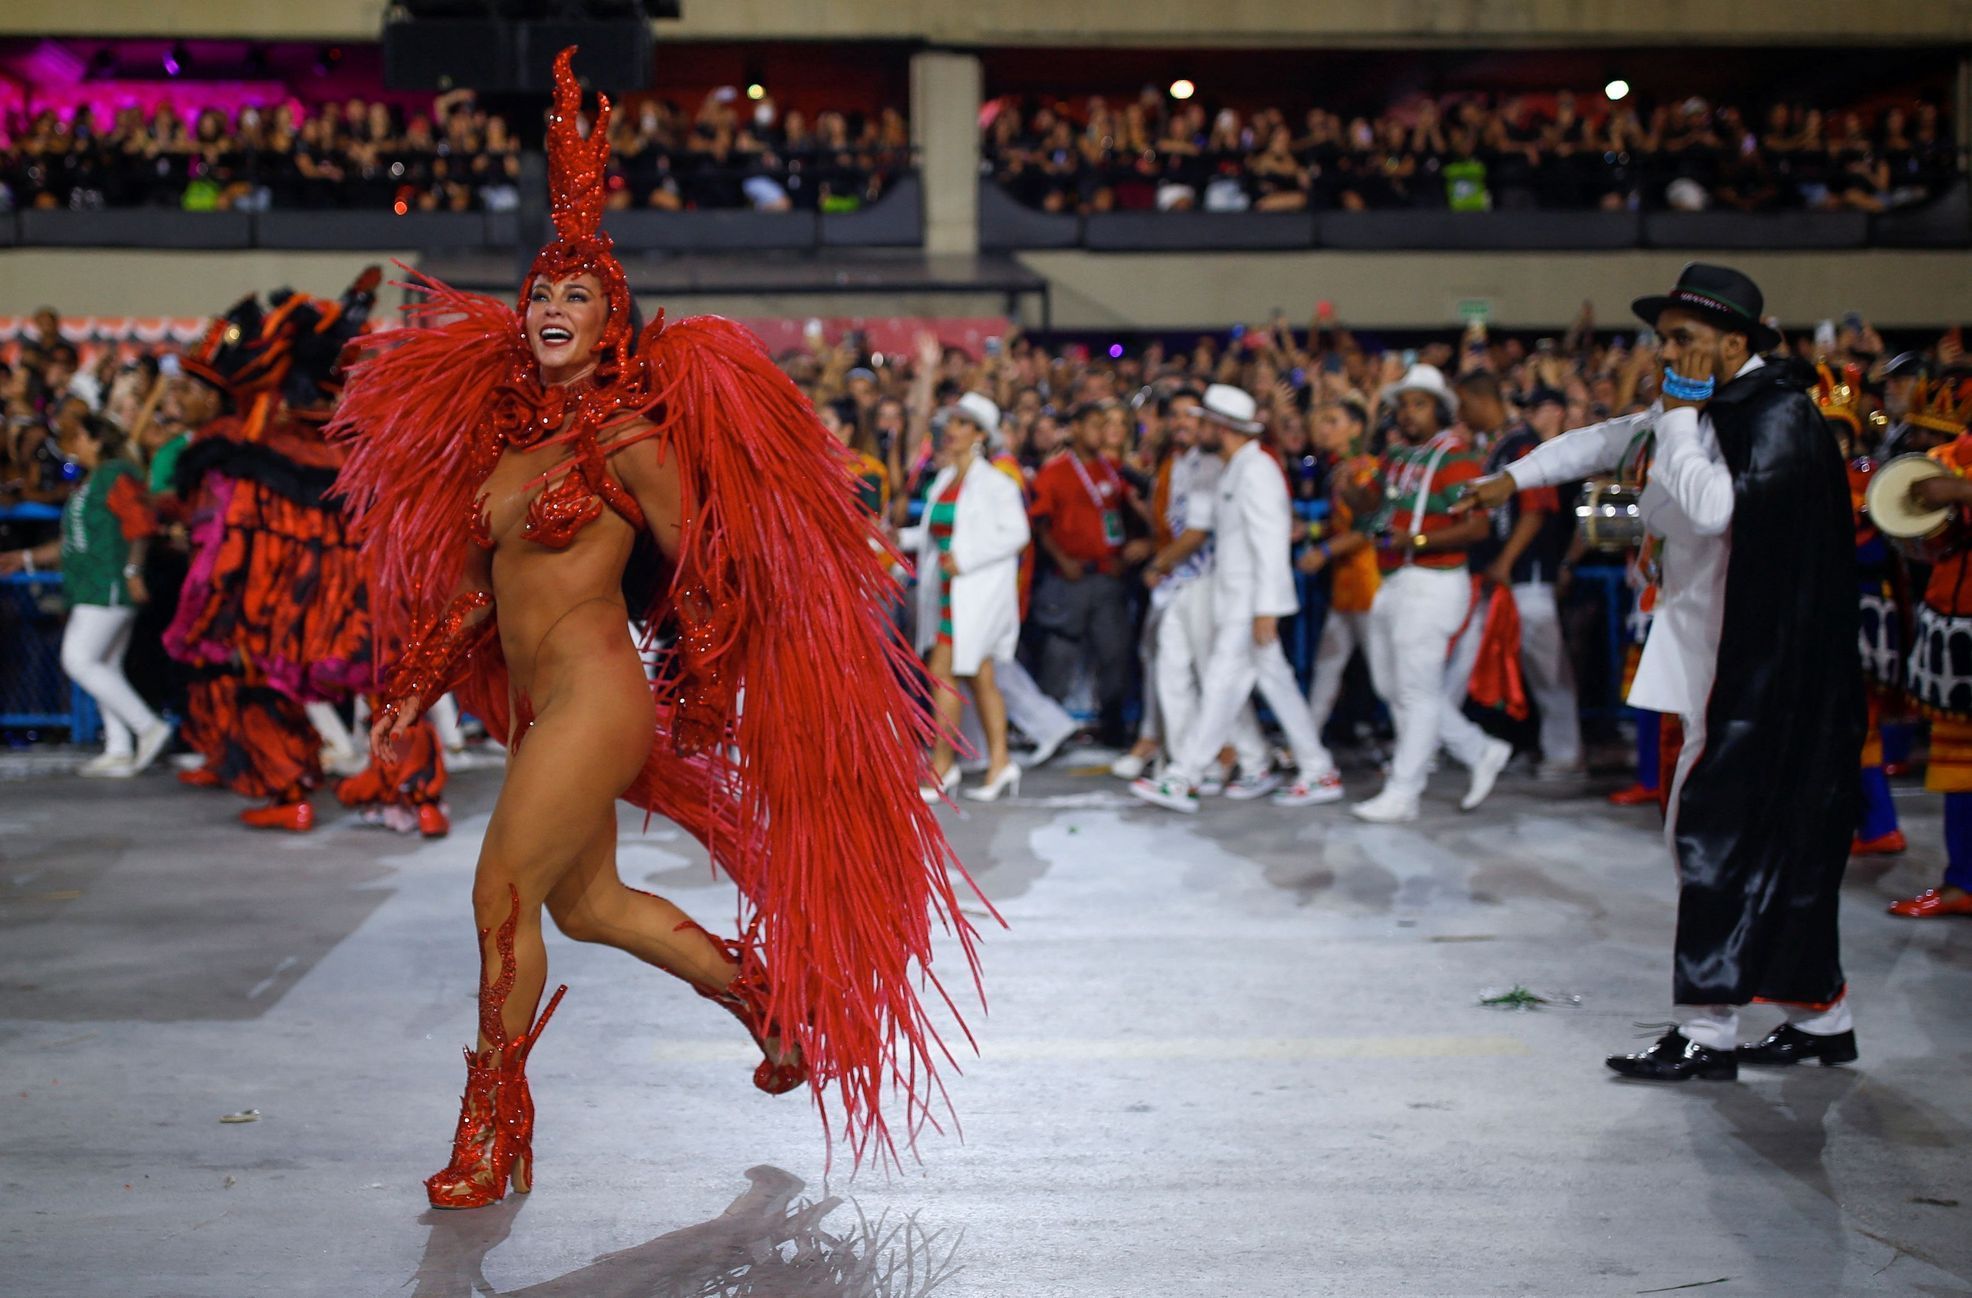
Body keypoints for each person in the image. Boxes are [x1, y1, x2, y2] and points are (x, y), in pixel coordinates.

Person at [331, 50, 987, 1209]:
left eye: (576, 296)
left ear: (612, 319)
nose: (550, 308)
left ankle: (494, 1128)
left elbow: (709, 567)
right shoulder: (509, 440)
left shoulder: (630, 434)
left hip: (596, 692)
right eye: (541, 291)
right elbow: (487, 588)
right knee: (587, 906)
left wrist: (707, 682)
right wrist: (410, 685)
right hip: (542, 701)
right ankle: (771, 1005)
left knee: (497, 897)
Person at [1460, 262, 1862, 1078]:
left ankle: (1708, 1030)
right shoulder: (1719, 406)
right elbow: (1608, 440)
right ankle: (1822, 1017)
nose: (1665, 351)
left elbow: (1714, 508)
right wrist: (1511, 477)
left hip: (1756, 671)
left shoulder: (1774, 416)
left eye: (1683, 338)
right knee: (1766, 839)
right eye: (1663, 337)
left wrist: (1678, 419)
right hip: (1725, 656)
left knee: (1706, 833)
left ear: (1733, 342)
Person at [1129, 384, 1336, 812]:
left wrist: (1267, 609)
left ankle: (1183, 777)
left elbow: (1271, 542)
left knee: (1222, 684)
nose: (1196, 427)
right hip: (1238, 599)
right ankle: (1315, 769)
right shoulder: (1236, 467)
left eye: (1204, 421)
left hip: (1249, 604)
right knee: (1276, 685)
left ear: (1221, 427)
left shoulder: (1256, 470)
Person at [1348, 364, 1511, 823]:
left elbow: (1477, 525)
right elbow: (1372, 511)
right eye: (1403, 405)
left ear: (1440, 409)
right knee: (1393, 686)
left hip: (1434, 582)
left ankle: (1404, 791)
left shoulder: (1456, 457)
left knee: (1417, 692)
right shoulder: (1399, 456)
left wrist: (1418, 541)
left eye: (1418, 404)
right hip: (1397, 580)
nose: (1407, 413)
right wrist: (1353, 494)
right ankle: (1479, 749)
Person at [0, 414, 173, 776]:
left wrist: (133, 571)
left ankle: (148, 726)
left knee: (78, 659)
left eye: (76, 436)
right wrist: (26, 557)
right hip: (90, 584)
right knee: (105, 665)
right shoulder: (89, 482)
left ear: (96, 440)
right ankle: (119, 747)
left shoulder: (116, 474)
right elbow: (74, 544)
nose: (70, 444)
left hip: (109, 583)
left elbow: (140, 524)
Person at [900, 392, 1031, 801]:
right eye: (950, 423)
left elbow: (1017, 533)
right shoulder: (944, 479)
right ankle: (999, 761)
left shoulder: (995, 482)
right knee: (978, 677)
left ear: (979, 434)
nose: (950, 431)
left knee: (947, 674)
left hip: (976, 594)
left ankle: (943, 767)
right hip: (948, 595)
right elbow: (933, 535)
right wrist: (894, 539)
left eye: (961, 424)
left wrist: (967, 558)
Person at [1454, 374, 1584, 779]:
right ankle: (1464, 744)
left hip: (1525, 577)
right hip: (1499, 577)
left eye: (1463, 404)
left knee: (1546, 669)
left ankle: (1565, 754)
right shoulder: (1497, 444)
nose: (1460, 414)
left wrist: (1506, 561)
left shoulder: (1521, 444)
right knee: (1471, 664)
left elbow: (1535, 508)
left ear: (1480, 398)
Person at [1885, 379, 1972, 919]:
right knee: (1959, 766)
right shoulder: (1948, 454)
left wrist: (1958, 492)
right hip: (1954, 619)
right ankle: (1962, 879)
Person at [1028, 399, 1150, 746]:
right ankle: (1047, 728)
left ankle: (1113, 726)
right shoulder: (1056, 471)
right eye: (1095, 424)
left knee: (1114, 654)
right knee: (1059, 653)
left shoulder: (1114, 469)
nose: (1101, 432)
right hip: (1070, 575)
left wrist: (1126, 558)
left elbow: (1132, 516)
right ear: (1077, 428)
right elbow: (1040, 522)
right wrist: (1062, 558)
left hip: (1108, 576)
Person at [1298, 396, 1381, 788]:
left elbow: (1366, 528)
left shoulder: (1367, 471)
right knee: (1328, 667)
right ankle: (1306, 742)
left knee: (1386, 675)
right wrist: (1312, 533)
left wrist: (1324, 550)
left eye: (1332, 420)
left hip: (1368, 586)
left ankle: (1426, 746)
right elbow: (1338, 525)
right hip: (1346, 588)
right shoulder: (1340, 470)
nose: (1324, 427)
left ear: (1355, 429)